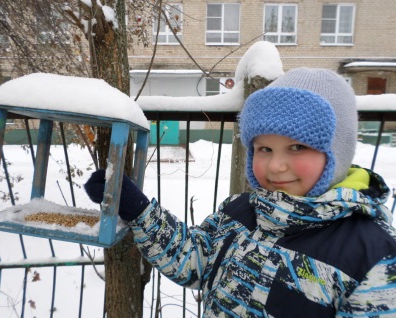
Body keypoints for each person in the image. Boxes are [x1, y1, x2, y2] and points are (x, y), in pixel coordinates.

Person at [85, 68, 396, 317]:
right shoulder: (241, 211)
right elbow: (194, 261)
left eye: (298, 147)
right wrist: (139, 210)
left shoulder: (373, 255)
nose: (275, 165)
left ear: (336, 153)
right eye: (264, 148)